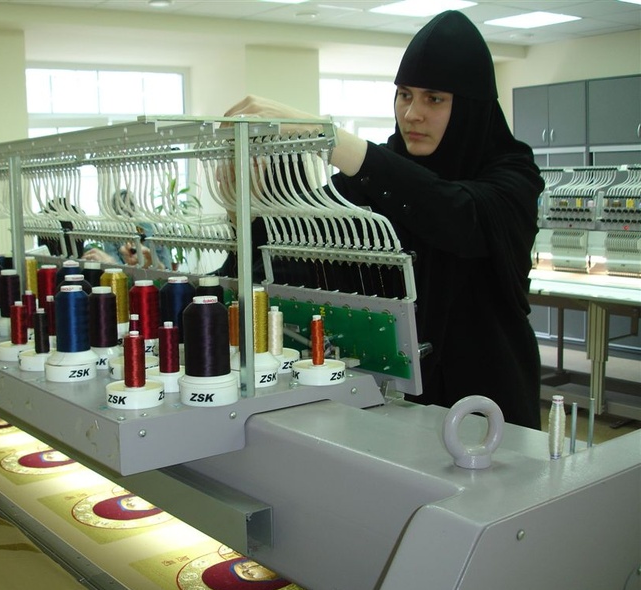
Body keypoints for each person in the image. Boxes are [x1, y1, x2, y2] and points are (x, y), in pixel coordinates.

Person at [224, 10, 544, 429]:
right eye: (404, 95)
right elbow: (292, 245)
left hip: (488, 401)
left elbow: (456, 215)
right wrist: (245, 208)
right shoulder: (376, 177)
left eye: (434, 99)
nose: (412, 113)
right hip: (393, 402)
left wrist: (329, 138)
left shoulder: (512, 174)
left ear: (469, 106)